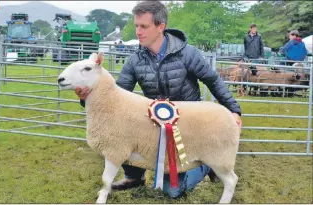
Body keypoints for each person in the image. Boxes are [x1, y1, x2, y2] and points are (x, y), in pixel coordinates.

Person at [75, 0, 242, 199]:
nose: (138, 31)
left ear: (160, 27)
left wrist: (234, 109)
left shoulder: (188, 54)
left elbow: (213, 81)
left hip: (188, 126)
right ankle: (134, 176)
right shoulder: (135, 59)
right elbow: (115, 95)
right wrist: (88, 97)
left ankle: (207, 163)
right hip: (153, 124)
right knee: (124, 126)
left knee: (173, 190)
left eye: (143, 26)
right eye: (136, 26)